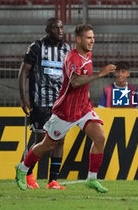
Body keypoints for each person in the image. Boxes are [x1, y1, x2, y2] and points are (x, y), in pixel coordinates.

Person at [15, 24, 116, 193]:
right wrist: (100, 74)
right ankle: (23, 168)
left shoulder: (88, 54)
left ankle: (92, 179)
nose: (93, 40)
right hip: (66, 112)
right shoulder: (72, 58)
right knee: (46, 145)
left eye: (93, 37)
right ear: (78, 39)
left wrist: (87, 95)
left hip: (83, 109)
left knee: (100, 137)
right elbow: (75, 81)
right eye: (88, 37)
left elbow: (83, 83)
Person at [18, 17, 71, 190]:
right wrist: (23, 97)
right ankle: (26, 173)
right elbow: (23, 72)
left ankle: (52, 181)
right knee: (41, 139)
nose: (60, 31)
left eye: (61, 28)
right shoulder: (37, 47)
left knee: (59, 140)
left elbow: (70, 76)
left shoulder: (66, 49)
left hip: (60, 104)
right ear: (48, 30)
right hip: (41, 101)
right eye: (56, 28)